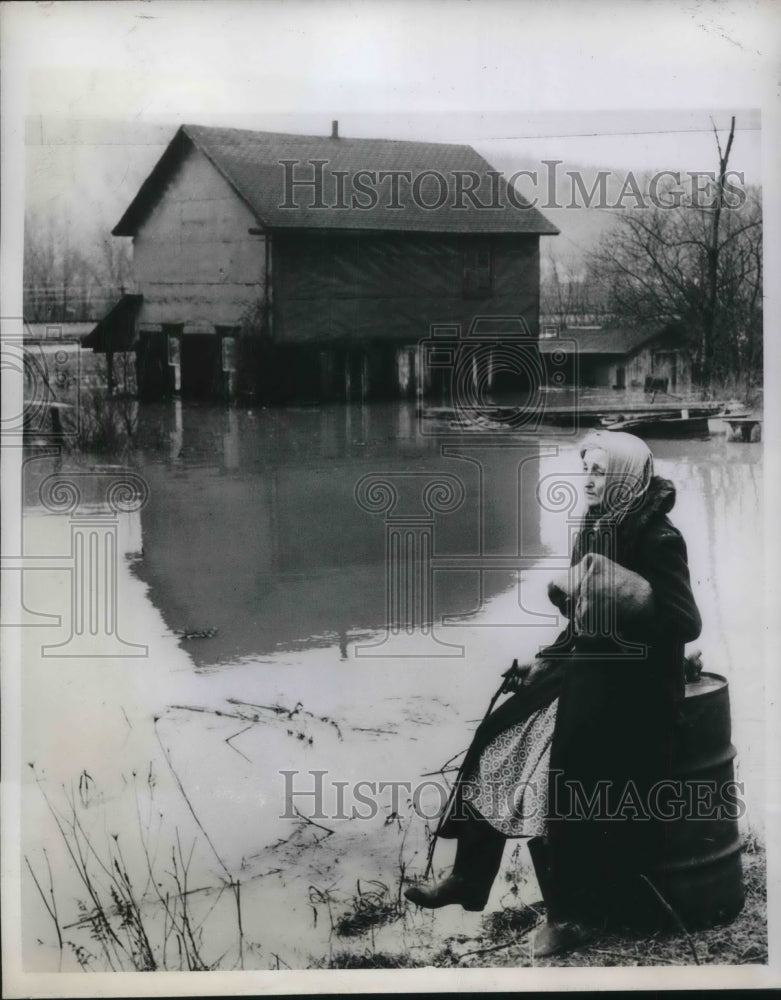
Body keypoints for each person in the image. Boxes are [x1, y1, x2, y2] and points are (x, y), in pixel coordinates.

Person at [405, 431, 702, 956]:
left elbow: (685, 622)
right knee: (500, 736)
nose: (588, 479)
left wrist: (626, 594)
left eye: (599, 471)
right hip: (586, 670)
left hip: (639, 688)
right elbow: (582, 622)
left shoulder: (659, 537)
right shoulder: (592, 526)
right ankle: (470, 877)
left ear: (627, 478)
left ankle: (572, 916)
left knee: (554, 775)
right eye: (584, 468)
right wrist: (545, 658)